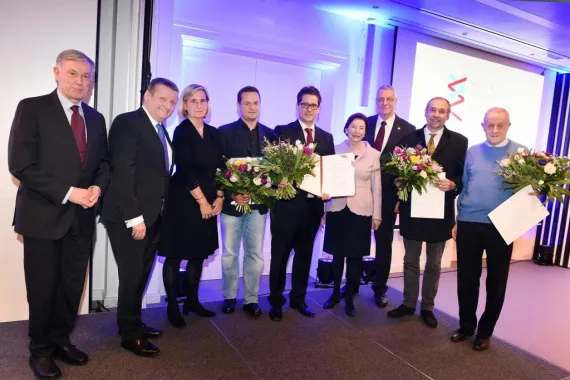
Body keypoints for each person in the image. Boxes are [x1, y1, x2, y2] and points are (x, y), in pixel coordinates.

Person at [8, 49, 110, 379]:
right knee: (42, 288)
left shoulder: (96, 119)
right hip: (42, 217)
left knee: (70, 287)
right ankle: (39, 351)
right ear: (56, 72)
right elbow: (20, 164)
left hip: (81, 219)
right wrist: (69, 193)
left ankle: (60, 340)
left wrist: (97, 187)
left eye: (86, 77)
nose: (80, 82)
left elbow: (104, 164)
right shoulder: (32, 108)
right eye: (73, 74)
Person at [101, 77, 178, 357]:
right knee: (132, 275)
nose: (168, 106)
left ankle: (131, 323)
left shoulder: (161, 129)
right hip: (129, 216)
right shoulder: (128, 122)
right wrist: (134, 218)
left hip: (152, 216)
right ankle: (130, 336)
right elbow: (123, 173)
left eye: (172, 102)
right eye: (162, 99)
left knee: (140, 275)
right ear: (147, 96)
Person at [387, 97, 468, 329]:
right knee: (410, 259)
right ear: (425, 112)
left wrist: (454, 185)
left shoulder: (459, 142)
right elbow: (394, 171)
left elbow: (464, 177)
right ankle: (409, 303)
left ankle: (428, 307)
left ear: (448, 115)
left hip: (440, 211)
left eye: (442, 111)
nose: (436, 115)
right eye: (433, 110)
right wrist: (399, 181)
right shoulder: (408, 139)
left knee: (434, 263)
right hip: (413, 209)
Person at [450, 108, 526, 351]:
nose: (494, 130)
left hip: (502, 226)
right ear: (483, 125)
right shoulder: (472, 152)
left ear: (508, 125)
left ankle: (485, 332)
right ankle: (466, 326)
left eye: (500, 125)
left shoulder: (521, 153)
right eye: (490, 125)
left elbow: (530, 192)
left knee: (496, 282)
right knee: (466, 279)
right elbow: (465, 187)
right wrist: (457, 220)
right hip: (469, 223)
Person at [158, 84, 224, 328]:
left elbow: (222, 168)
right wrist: (203, 202)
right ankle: (173, 306)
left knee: (198, 253)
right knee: (176, 255)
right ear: (184, 105)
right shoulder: (181, 131)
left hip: (209, 199)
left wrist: (219, 197)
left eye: (203, 100)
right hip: (184, 201)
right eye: (193, 101)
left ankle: (193, 302)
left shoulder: (215, 133)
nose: (199, 105)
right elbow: (185, 170)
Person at [268, 86, 335, 321]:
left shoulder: (327, 138)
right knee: (280, 255)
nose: (309, 109)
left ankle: (298, 299)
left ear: (319, 108)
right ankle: (276, 301)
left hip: (312, 209)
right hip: (286, 208)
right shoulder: (283, 132)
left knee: (305, 255)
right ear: (298, 106)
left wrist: (329, 191)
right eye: (305, 104)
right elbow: (272, 168)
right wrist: (279, 179)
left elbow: (330, 173)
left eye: (313, 105)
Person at [218, 86, 277, 317]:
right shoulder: (224, 133)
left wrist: (275, 183)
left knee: (255, 254)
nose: (252, 107)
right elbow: (219, 169)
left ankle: (251, 299)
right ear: (238, 106)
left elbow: (274, 171)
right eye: (247, 103)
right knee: (230, 253)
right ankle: (229, 296)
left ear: (260, 105)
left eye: (256, 103)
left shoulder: (270, 136)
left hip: (259, 206)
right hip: (232, 205)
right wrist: (231, 193)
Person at [322, 113, 382, 317]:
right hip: (337, 208)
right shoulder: (335, 150)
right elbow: (326, 182)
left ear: (365, 131)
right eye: (353, 126)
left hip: (361, 211)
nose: (357, 131)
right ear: (346, 128)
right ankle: (334, 293)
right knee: (337, 255)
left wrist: (377, 215)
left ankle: (349, 298)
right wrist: (323, 210)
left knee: (355, 258)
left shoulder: (374, 154)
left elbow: (377, 188)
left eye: (361, 128)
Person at [365, 85, 416, 308]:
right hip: (361, 193)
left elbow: (409, 168)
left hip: (388, 196)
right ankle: (353, 283)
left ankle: (379, 288)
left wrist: (399, 199)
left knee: (383, 243)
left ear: (396, 101)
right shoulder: (364, 123)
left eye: (389, 99)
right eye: (380, 99)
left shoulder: (408, 129)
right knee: (356, 239)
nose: (384, 103)